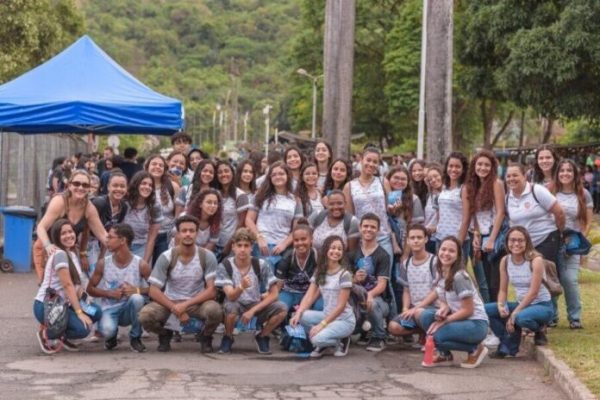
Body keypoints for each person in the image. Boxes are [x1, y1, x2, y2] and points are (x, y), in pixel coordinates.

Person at [139, 215, 223, 353]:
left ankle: (205, 336)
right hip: (170, 302)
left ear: (197, 233)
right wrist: (175, 307)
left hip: (197, 303)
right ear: (178, 234)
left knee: (215, 311)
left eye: (192, 231)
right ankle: (165, 334)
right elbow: (153, 291)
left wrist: (184, 306)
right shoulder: (166, 256)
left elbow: (211, 290)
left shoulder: (207, 256)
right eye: (184, 231)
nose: (188, 234)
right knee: (145, 315)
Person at [417, 236, 489, 368]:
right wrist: (444, 307)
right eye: (443, 249)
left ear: (458, 255)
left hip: (476, 324)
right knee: (425, 316)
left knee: (436, 335)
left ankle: (475, 349)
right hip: (461, 320)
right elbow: (442, 297)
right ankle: (445, 355)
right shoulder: (442, 272)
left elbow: (468, 310)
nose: (446, 253)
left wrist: (445, 321)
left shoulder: (459, 276)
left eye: (451, 251)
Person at [33, 219, 102, 354]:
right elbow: (67, 285)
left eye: (70, 231)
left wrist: (84, 297)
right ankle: (47, 334)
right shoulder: (60, 255)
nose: (68, 235)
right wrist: (79, 312)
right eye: (63, 233)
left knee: (95, 312)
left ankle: (62, 336)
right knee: (83, 329)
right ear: (56, 238)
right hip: (47, 306)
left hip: (64, 304)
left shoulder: (71, 253)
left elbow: (76, 284)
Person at [484, 227, 554, 357]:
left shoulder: (535, 260)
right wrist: (500, 305)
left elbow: (533, 293)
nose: (516, 244)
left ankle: (539, 329)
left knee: (521, 318)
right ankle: (507, 343)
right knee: (485, 310)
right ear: (507, 242)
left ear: (527, 242)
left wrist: (514, 314)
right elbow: (503, 290)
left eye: (521, 240)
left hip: (542, 305)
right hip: (521, 304)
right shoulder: (505, 261)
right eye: (513, 240)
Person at [216, 228, 288, 355]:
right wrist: (241, 287)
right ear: (233, 247)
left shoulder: (261, 264)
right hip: (235, 304)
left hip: (254, 303)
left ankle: (262, 336)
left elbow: (274, 294)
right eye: (239, 245)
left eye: (246, 245)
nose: (242, 249)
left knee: (282, 308)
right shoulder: (225, 265)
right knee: (230, 307)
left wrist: (252, 311)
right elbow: (231, 296)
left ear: (251, 247)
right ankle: (228, 336)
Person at [35, 171, 108, 285]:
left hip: (68, 249)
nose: (80, 187)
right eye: (76, 183)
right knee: (50, 289)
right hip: (46, 247)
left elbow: (103, 235)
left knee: (72, 285)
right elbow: (41, 227)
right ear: (69, 185)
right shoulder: (60, 202)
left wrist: (122, 250)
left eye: (85, 185)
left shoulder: (89, 208)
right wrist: (48, 246)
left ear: (89, 188)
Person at [87, 223, 150, 352]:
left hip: (130, 308)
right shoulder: (103, 263)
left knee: (137, 298)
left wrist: (137, 290)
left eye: (110, 237)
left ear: (122, 240)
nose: (107, 240)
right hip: (109, 309)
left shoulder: (141, 264)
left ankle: (135, 337)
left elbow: (157, 289)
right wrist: (109, 293)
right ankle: (112, 336)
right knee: (107, 330)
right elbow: (90, 289)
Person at [291, 235, 356, 358]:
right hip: (327, 315)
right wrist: (298, 313)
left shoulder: (344, 274)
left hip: (344, 320)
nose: (336, 251)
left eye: (339, 249)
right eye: (333, 248)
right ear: (326, 250)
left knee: (315, 339)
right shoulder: (320, 271)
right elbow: (309, 295)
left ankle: (341, 340)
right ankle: (326, 341)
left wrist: (321, 325)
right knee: (302, 316)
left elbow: (341, 306)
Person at [553, 159, 592, 329]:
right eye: (562, 170)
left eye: (569, 170)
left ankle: (574, 317)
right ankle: (552, 317)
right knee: (551, 280)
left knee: (569, 280)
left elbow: (587, 222)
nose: (565, 174)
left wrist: (578, 243)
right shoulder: (551, 191)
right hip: (552, 241)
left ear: (575, 174)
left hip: (572, 243)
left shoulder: (583, 194)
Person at [245, 161, 303, 269]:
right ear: (270, 178)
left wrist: (284, 244)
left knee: (277, 283)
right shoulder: (260, 196)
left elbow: (297, 229)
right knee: (263, 282)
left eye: (281, 173)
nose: (278, 177)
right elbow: (248, 220)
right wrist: (259, 238)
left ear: (288, 176)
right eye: (274, 174)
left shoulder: (295, 200)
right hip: (262, 247)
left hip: (282, 249)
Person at [465, 150, 506, 303]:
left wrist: (491, 240)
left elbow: (501, 212)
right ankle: (489, 315)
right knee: (485, 282)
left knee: (495, 283)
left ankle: (498, 315)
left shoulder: (496, 183)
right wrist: (476, 234)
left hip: (494, 237)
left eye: (487, 165)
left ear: (493, 167)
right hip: (479, 236)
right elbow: (474, 214)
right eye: (479, 164)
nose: (483, 168)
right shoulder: (474, 185)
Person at [348, 213, 392, 352]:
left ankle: (379, 336)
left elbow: (382, 285)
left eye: (373, 227)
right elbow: (344, 280)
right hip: (355, 299)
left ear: (378, 230)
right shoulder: (352, 254)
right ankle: (362, 330)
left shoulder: (383, 255)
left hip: (379, 300)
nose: (368, 229)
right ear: (360, 228)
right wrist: (355, 278)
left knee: (371, 303)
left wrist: (370, 295)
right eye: (365, 226)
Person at [344, 147, 394, 263]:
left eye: (375, 162)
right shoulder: (349, 186)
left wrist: (394, 207)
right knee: (364, 278)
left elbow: (391, 209)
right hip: (362, 239)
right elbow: (350, 216)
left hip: (383, 236)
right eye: (368, 160)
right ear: (361, 160)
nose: (371, 164)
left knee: (385, 278)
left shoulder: (383, 181)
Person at [390, 224, 437, 339]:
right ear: (408, 241)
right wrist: (405, 308)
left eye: (419, 238)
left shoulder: (434, 261)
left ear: (426, 239)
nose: (416, 241)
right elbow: (406, 290)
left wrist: (417, 308)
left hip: (433, 308)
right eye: (412, 238)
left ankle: (433, 333)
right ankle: (423, 331)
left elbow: (437, 291)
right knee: (393, 327)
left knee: (420, 313)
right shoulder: (405, 263)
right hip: (414, 308)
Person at [275, 222, 323, 320]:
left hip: (310, 292)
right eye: (296, 240)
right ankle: (282, 328)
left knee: (320, 306)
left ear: (311, 239)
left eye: (303, 239)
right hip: (289, 292)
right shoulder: (287, 257)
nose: (300, 243)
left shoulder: (318, 256)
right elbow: (278, 286)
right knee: (279, 307)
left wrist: (308, 304)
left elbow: (319, 286)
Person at [433, 152, 471, 258]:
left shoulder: (464, 188)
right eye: (451, 166)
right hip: (440, 238)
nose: (453, 169)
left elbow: (466, 219)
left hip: (457, 240)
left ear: (463, 169)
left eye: (457, 166)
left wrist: (458, 243)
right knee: (441, 273)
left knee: (457, 273)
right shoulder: (444, 187)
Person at [145, 155, 180, 265]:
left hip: (166, 237)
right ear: (147, 167)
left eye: (161, 165)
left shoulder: (173, 186)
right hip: (145, 236)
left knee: (162, 269)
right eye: (154, 164)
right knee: (144, 268)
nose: (157, 167)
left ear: (165, 169)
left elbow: (178, 213)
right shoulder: (141, 185)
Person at [214, 161, 246, 259]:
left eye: (226, 171)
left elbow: (241, 224)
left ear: (232, 173)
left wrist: (229, 246)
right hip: (213, 243)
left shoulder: (240, 195)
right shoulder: (214, 193)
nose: (223, 174)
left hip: (231, 246)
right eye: (220, 172)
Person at [423, 164, 443, 254]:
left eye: (435, 176)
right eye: (429, 179)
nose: (433, 180)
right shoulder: (430, 195)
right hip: (429, 238)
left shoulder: (447, 195)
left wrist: (436, 228)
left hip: (441, 237)